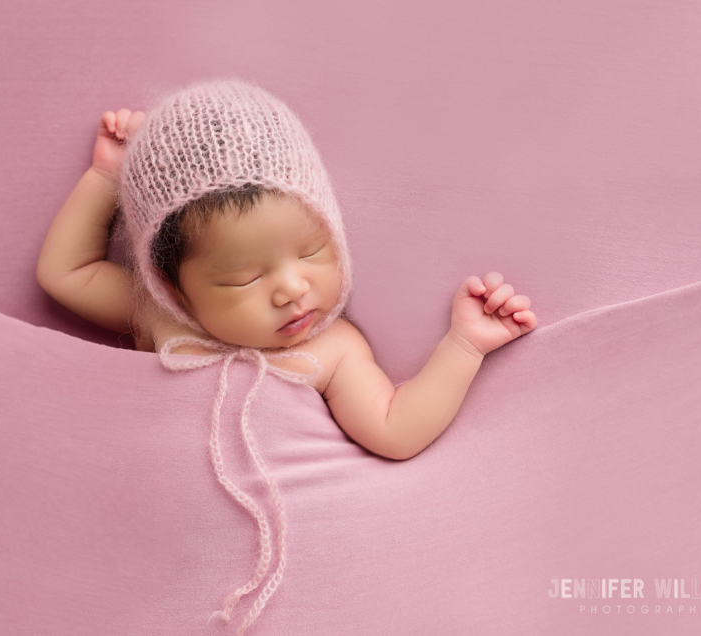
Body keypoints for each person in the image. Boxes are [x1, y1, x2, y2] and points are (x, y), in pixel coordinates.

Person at [36, 79, 536, 633]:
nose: (291, 289)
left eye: (311, 251)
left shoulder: (331, 347)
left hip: (292, 576)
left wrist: (463, 346)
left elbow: (395, 431)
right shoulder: (165, 321)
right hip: (144, 559)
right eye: (243, 278)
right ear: (174, 289)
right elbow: (66, 274)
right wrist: (107, 178)